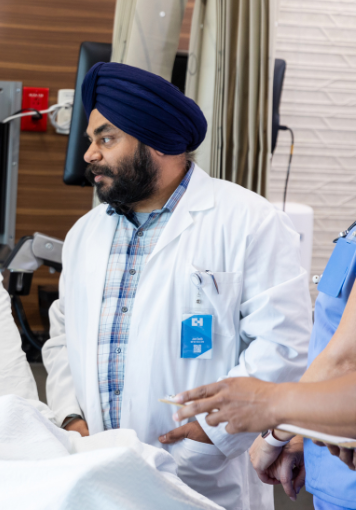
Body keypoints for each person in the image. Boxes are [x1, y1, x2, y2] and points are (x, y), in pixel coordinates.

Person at [42, 62, 312, 510]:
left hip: (205, 478)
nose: (89, 155)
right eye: (91, 140)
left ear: (158, 141)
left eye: (105, 139)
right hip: (95, 472)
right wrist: (70, 417)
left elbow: (283, 343)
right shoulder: (84, 235)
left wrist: (212, 435)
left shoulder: (248, 221)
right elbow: (61, 339)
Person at [173, 221, 356, 509]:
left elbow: (343, 361)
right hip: (334, 472)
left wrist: (276, 430)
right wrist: (302, 432)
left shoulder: (257, 221)